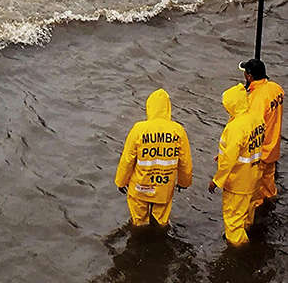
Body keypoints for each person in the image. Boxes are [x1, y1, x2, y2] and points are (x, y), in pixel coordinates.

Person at [114, 89, 193, 228]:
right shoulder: (178, 130)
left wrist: (121, 181)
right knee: (161, 222)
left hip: (140, 186)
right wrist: (184, 182)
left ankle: (139, 239)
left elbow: (127, 159)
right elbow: (185, 162)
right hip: (164, 187)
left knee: (138, 222)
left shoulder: (139, 129)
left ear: (149, 107)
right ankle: (159, 238)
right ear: (168, 108)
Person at [209, 84, 266, 247]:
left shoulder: (235, 127)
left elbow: (228, 159)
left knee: (233, 221)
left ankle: (240, 251)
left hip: (238, 182)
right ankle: (246, 231)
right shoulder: (256, 117)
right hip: (254, 176)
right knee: (248, 212)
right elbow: (249, 146)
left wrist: (217, 181)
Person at [241, 58, 283, 208]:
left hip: (261, 150)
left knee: (256, 191)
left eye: (245, 73)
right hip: (274, 145)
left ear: (250, 76)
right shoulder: (276, 88)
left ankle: (258, 217)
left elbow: (253, 126)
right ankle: (271, 205)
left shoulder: (256, 99)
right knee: (269, 183)